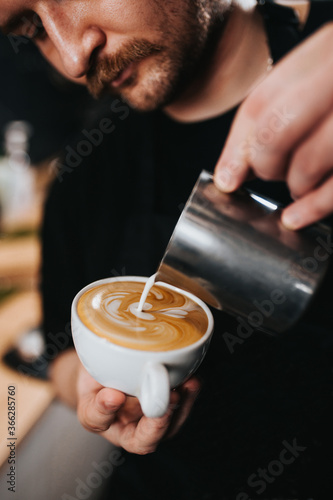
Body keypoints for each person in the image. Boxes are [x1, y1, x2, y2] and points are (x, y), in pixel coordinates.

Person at [1, 0, 333, 497]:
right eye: (31, 30)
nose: (72, 58)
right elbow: (63, 355)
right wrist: (102, 391)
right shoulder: (87, 176)